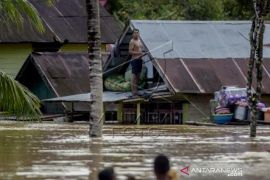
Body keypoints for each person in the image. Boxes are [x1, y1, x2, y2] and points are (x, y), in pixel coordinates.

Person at [129, 28, 144, 97]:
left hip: (140, 60)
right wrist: (139, 53)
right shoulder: (132, 41)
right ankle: (133, 92)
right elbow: (130, 51)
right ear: (133, 34)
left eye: (137, 33)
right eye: (135, 33)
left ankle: (136, 91)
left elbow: (141, 49)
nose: (136, 34)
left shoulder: (139, 40)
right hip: (134, 60)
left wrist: (143, 53)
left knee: (138, 76)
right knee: (134, 76)